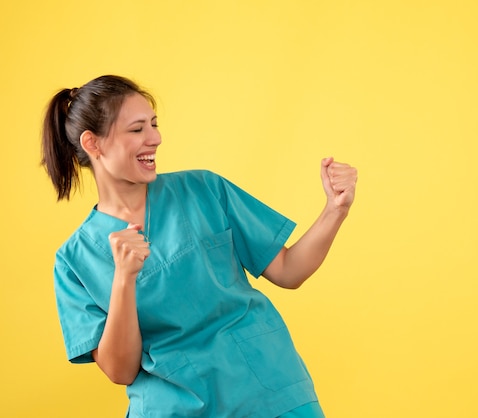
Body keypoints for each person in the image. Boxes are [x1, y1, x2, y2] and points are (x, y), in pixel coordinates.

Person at [41, 75, 357, 418]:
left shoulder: (204, 189)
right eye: (137, 130)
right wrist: (123, 279)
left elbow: (288, 270)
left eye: (154, 124)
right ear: (93, 143)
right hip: (175, 407)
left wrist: (335, 209)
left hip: (268, 390)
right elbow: (121, 371)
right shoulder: (74, 260)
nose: (155, 139)